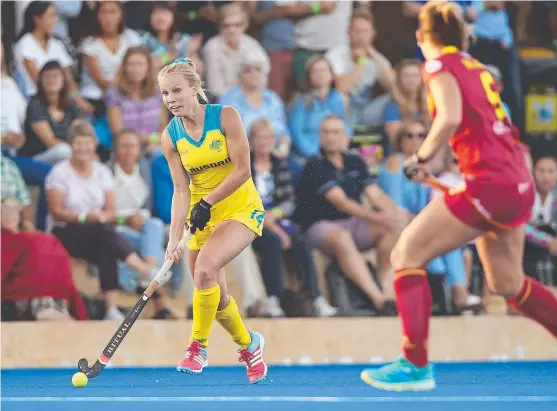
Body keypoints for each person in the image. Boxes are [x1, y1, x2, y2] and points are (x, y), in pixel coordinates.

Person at [360, 1, 557, 392]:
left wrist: (420, 157)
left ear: (423, 38)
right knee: (508, 283)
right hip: (517, 180)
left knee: (406, 256)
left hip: (490, 184)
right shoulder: (477, 66)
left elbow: (448, 118)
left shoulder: (438, 66)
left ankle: (415, 365)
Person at [158, 57, 268, 384]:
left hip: (239, 208)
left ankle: (197, 347)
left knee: (205, 269)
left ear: (195, 88)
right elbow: (180, 189)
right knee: (211, 289)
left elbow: (243, 170)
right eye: (165, 93)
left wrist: (207, 201)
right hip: (201, 216)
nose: (171, 99)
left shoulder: (226, 117)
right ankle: (249, 345)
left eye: (177, 90)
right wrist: (173, 239)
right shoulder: (170, 136)